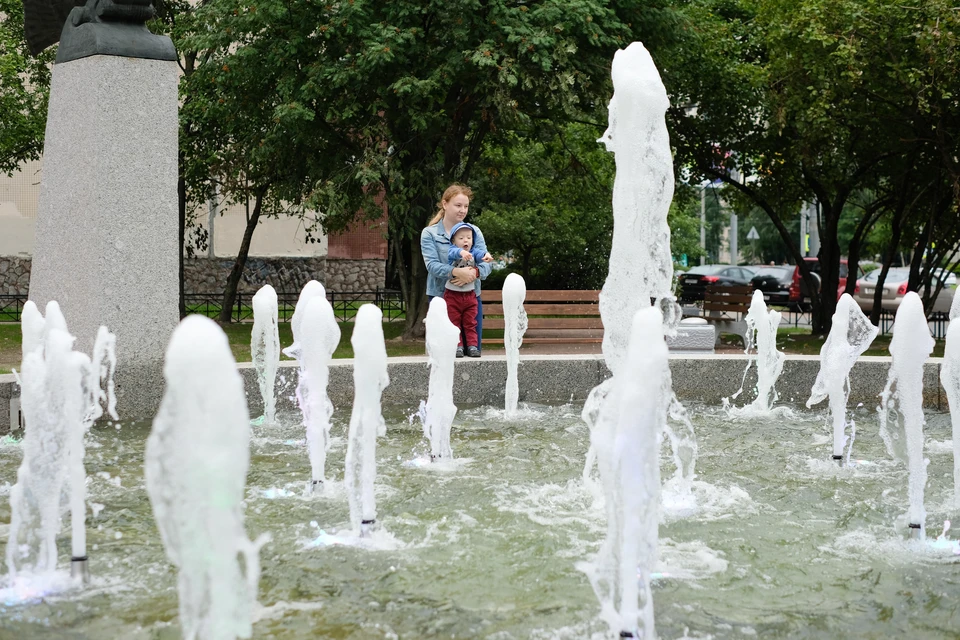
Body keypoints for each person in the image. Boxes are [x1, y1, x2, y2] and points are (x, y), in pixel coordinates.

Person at [420, 184, 492, 354]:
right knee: (444, 352)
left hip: (471, 298)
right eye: (458, 205)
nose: (462, 210)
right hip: (440, 298)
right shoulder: (430, 234)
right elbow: (431, 266)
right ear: (445, 204)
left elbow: (486, 264)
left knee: (473, 350)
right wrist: (455, 272)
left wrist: (474, 273)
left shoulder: (474, 232)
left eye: (465, 206)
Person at [444, 222, 492, 357]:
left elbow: (480, 254)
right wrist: (461, 252)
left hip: (470, 295)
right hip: (452, 295)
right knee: (454, 322)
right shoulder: (452, 250)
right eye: (461, 238)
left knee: (470, 323)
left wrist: (486, 255)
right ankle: (457, 346)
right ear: (453, 240)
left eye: (469, 238)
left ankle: (472, 346)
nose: (465, 240)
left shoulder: (473, 252)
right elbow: (453, 252)